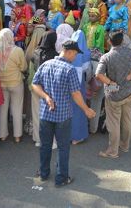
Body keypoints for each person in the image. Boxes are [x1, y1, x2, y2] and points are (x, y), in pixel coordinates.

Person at [32, 39, 96, 187]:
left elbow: (35, 84)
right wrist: (86, 110)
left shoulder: (46, 64)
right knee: (63, 147)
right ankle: (61, 178)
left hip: (45, 114)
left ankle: (43, 172)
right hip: (63, 116)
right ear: (68, 52)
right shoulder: (70, 69)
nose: (75, 57)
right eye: (74, 54)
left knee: (45, 145)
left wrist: (46, 97)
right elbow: (76, 94)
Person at [94, 31, 131, 159]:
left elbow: (98, 74)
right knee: (126, 119)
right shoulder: (130, 51)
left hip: (114, 95)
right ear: (122, 41)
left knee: (113, 123)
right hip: (129, 92)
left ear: (109, 41)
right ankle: (125, 145)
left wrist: (110, 82)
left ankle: (112, 151)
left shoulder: (107, 57)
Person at [0, 28, 27, 143]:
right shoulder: (18, 50)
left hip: (2, 84)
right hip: (16, 82)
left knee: (2, 110)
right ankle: (17, 135)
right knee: (17, 108)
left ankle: (2, 134)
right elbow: (23, 67)